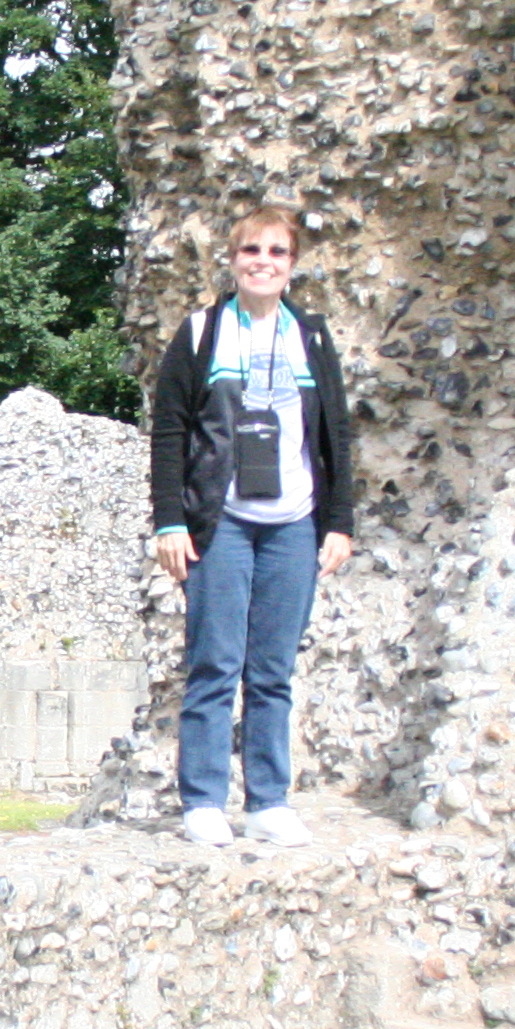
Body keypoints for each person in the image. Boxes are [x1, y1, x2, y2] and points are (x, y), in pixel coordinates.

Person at [146, 203, 355, 848]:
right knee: (215, 661)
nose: (263, 263)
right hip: (223, 522)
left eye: (277, 253)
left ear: (292, 266)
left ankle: (268, 800)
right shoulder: (205, 331)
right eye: (251, 251)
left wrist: (339, 522)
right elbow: (171, 428)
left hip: (292, 522)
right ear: (232, 261)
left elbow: (336, 434)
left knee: (272, 667)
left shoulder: (310, 336)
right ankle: (204, 800)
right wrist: (169, 521)